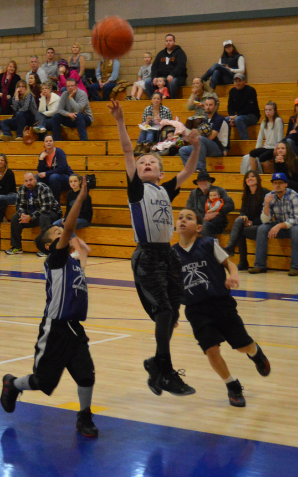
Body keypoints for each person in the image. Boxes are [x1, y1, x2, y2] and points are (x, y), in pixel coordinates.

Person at [111, 99, 201, 396]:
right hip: (147, 254)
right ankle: (165, 370)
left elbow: (188, 171)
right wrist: (120, 121)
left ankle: (155, 365)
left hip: (168, 254)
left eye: (152, 162)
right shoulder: (137, 189)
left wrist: (196, 145)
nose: (146, 163)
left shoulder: (165, 189)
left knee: (174, 312)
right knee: (163, 310)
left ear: (161, 173)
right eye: (142, 163)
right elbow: (127, 150)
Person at [0, 179, 98, 437]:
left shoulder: (72, 263)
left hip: (74, 328)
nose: (61, 233)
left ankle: (84, 416)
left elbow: (82, 256)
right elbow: (69, 228)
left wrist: (82, 247)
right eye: (56, 234)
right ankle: (12, 384)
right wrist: (80, 198)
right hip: (54, 328)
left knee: (86, 375)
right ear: (49, 245)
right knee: (43, 382)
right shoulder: (55, 259)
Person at [172, 208, 271, 407]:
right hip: (195, 309)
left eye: (189, 218)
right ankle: (232, 385)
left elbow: (230, 264)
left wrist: (233, 275)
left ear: (199, 228)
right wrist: (173, 312)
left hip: (221, 303)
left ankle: (255, 352)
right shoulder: (171, 254)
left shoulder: (208, 244)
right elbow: (172, 287)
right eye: (180, 217)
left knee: (242, 346)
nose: (183, 220)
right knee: (211, 350)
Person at [249, 172, 298, 276]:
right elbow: (265, 220)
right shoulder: (269, 196)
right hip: (281, 226)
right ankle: (260, 265)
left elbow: (296, 218)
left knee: (296, 230)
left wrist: (279, 225)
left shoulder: (294, 196)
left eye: (281, 183)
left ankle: (295, 267)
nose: (277, 185)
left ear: (286, 184)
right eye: (275, 183)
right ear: (272, 185)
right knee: (262, 228)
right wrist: (267, 205)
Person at [5, 172, 62, 255]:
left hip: (51, 214)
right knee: (15, 218)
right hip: (33, 216)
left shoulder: (43, 188)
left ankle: (46, 250)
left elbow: (46, 207)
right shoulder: (21, 189)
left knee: (44, 217)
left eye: (31, 180)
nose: (29, 183)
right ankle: (17, 247)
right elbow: (18, 206)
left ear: (35, 179)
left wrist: (31, 217)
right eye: (26, 181)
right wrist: (23, 215)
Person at [223, 171, 266, 270]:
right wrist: (243, 216)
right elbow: (243, 210)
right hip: (249, 224)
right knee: (239, 221)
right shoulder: (246, 194)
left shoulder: (264, 193)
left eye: (252, 176)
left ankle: (235, 253)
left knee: (240, 230)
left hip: (262, 225)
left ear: (258, 179)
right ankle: (235, 253)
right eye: (247, 177)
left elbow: (266, 214)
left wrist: (253, 222)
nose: (249, 178)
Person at [179, 96, 229, 172]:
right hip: (205, 146)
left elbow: (211, 137)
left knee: (200, 139)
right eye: (206, 105)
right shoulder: (205, 119)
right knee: (183, 150)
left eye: (210, 105)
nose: (208, 107)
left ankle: (201, 168)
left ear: (215, 107)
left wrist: (197, 133)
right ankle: (190, 170)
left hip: (219, 148)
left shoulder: (219, 119)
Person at [185, 171, 235, 236]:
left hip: (217, 222)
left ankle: (206, 245)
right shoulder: (193, 194)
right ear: (197, 183)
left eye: (205, 180)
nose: (203, 182)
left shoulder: (219, 191)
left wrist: (217, 213)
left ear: (210, 182)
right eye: (200, 181)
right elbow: (188, 209)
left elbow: (230, 205)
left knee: (205, 226)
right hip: (199, 222)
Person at [241, 101, 283, 173]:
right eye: (266, 110)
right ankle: (253, 173)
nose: (268, 112)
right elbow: (260, 136)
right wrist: (258, 148)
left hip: (274, 147)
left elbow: (280, 135)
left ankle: (274, 173)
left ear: (274, 111)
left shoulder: (278, 120)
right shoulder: (264, 121)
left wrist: (278, 148)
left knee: (262, 158)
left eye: (270, 110)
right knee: (252, 153)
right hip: (266, 146)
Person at [146, 35, 187, 99]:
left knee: (172, 82)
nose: (168, 42)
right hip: (162, 78)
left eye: (170, 41)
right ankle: (155, 100)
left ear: (174, 42)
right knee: (148, 82)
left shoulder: (180, 53)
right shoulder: (161, 54)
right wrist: (154, 77)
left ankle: (171, 101)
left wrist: (172, 75)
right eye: (167, 41)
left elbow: (181, 66)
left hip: (176, 77)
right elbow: (154, 66)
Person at [226, 74, 259, 141]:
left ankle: (245, 141)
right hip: (238, 116)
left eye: (239, 81)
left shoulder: (251, 90)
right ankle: (226, 142)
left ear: (244, 81)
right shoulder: (232, 91)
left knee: (238, 119)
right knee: (226, 120)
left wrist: (237, 115)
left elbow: (250, 107)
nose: (237, 83)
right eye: (236, 81)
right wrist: (232, 116)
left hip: (252, 116)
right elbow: (230, 106)